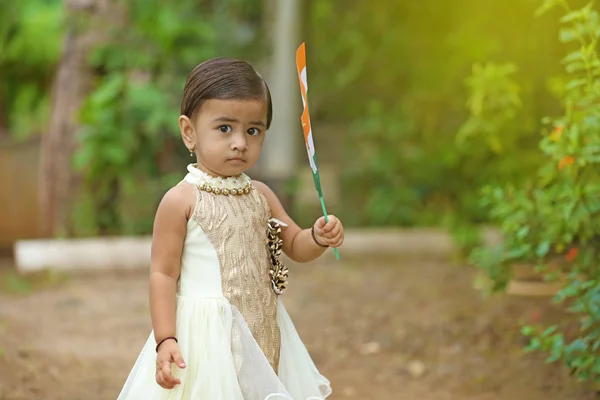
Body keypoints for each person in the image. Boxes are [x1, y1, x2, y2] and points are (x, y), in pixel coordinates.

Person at [117, 57, 344, 399]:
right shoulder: (181, 201)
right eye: (225, 128)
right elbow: (163, 274)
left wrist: (318, 236)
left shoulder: (262, 195)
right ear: (189, 132)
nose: (240, 141)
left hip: (263, 325)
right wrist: (166, 338)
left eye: (253, 130)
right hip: (207, 339)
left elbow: (295, 245)